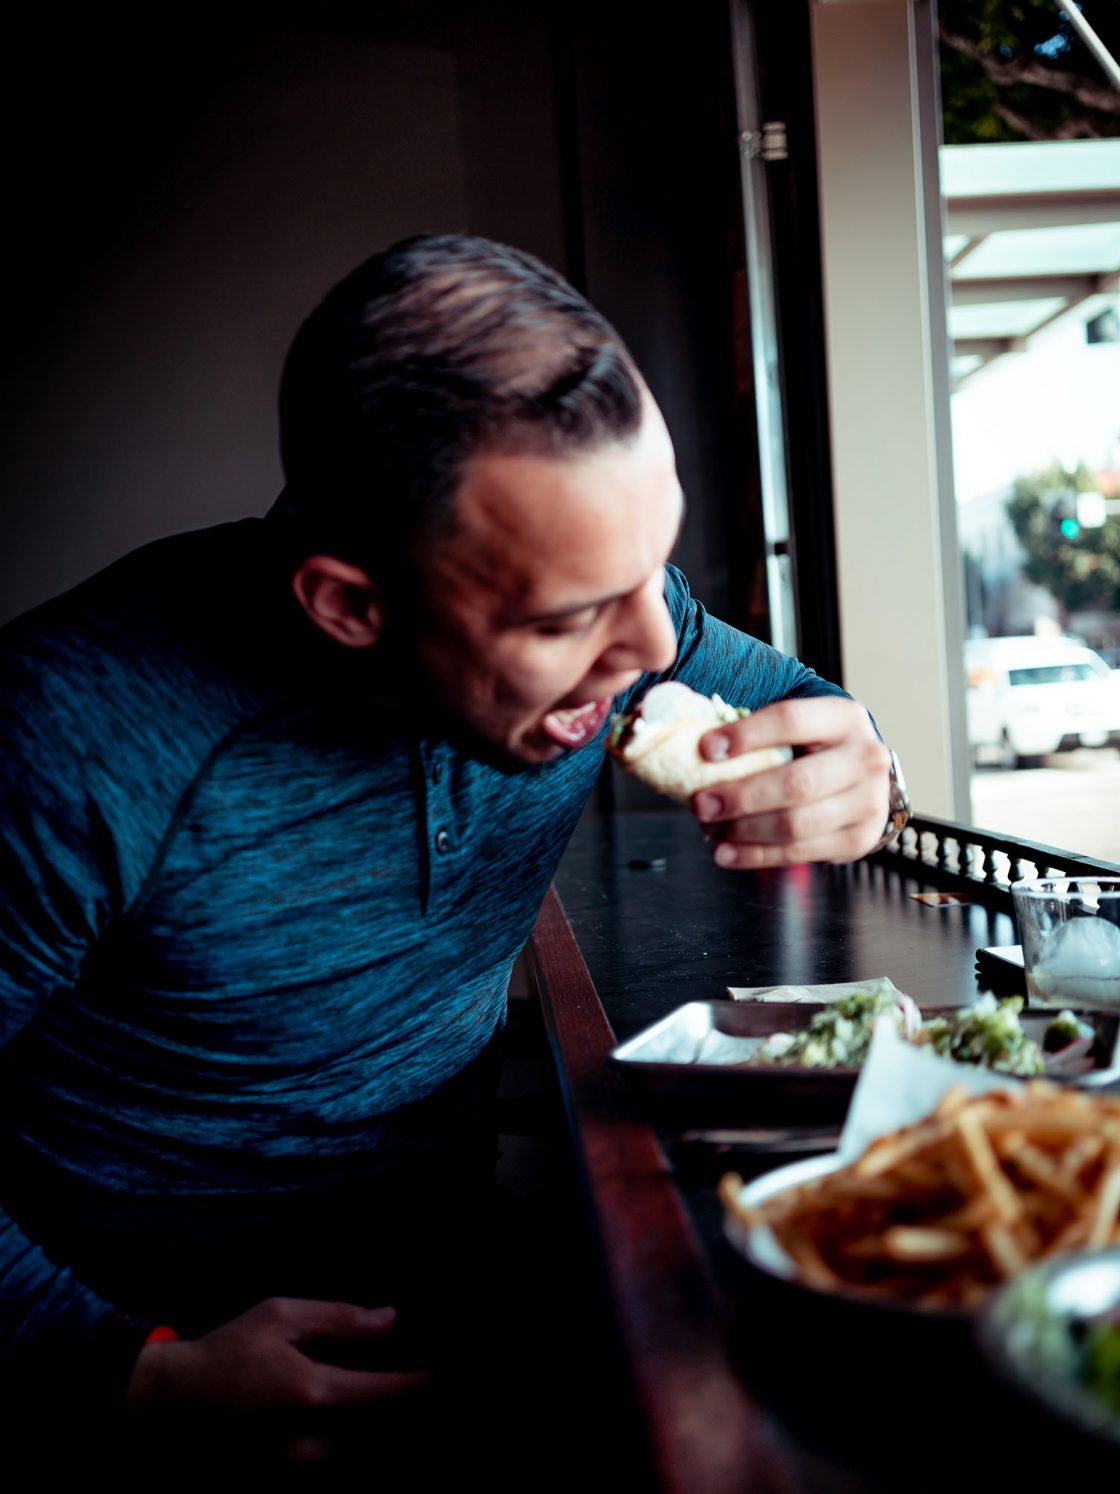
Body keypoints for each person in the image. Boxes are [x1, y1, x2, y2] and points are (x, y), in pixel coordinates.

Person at [0, 234, 892, 1467]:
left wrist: (868, 771)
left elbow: (809, 715)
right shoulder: (63, 737)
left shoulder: (623, 618)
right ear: (352, 608)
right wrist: (131, 1376)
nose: (650, 647)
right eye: (569, 618)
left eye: (655, 567)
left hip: (452, 1286)